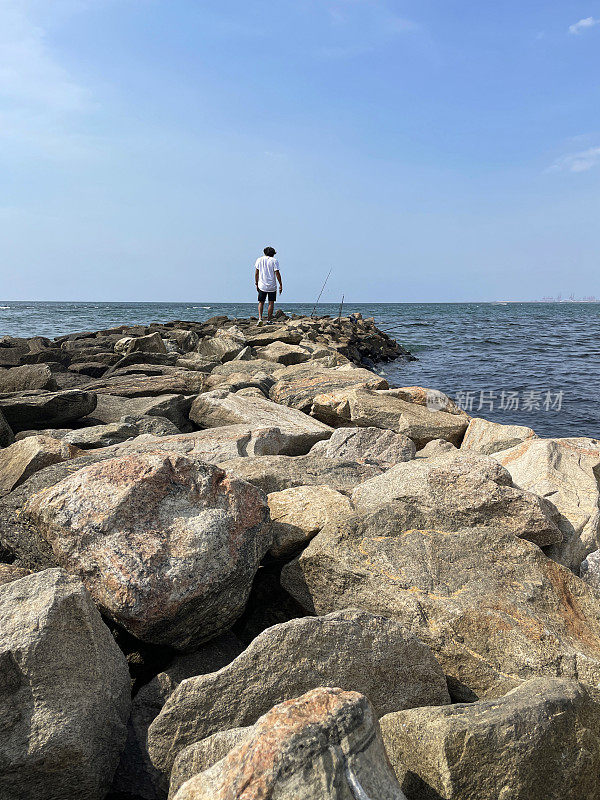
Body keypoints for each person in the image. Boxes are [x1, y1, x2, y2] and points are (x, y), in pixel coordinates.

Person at [254, 246, 283, 325]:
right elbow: (277, 273)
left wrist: (256, 283)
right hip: (272, 285)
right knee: (271, 302)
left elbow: (257, 273)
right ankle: (269, 320)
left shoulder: (259, 260)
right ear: (273, 254)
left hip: (262, 284)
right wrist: (280, 284)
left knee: (261, 302)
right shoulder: (274, 261)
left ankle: (260, 318)